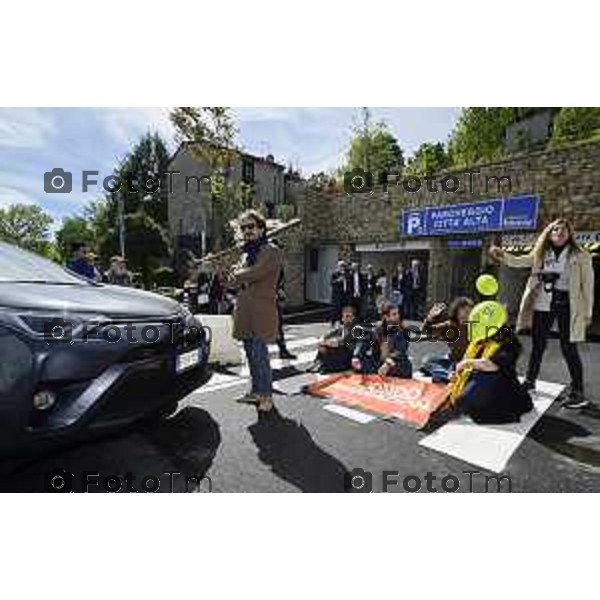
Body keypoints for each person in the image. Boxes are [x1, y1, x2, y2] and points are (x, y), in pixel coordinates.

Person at [489, 218, 595, 409]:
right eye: (555, 230)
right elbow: (520, 261)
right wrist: (502, 255)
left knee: (568, 348)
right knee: (538, 345)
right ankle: (530, 381)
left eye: (564, 230)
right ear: (549, 233)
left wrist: (587, 313)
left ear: (570, 234)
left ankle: (578, 391)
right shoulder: (541, 252)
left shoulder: (581, 255)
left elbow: (588, 286)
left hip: (567, 304)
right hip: (543, 303)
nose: (559, 233)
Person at [230, 210, 283, 412]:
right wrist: (232, 273)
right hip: (244, 310)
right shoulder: (245, 254)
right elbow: (231, 283)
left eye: (251, 226)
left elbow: (256, 273)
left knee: (260, 356)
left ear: (261, 228)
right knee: (250, 356)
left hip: (261, 311)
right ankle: (255, 391)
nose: (247, 231)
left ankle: (267, 396)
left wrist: (238, 274)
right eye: (243, 228)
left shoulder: (271, 251)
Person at [447, 325, 533, 424]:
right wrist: (456, 372)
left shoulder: (509, 341)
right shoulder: (480, 339)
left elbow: (491, 365)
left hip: (500, 384)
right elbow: (466, 359)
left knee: (464, 401)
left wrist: (465, 363)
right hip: (480, 378)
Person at [420, 297, 474, 382]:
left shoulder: (475, 326)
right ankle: (447, 375)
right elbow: (426, 331)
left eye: (470, 310)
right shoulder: (449, 325)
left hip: (468, 362)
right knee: (427, 361)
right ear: (457, 310)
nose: (467, 313)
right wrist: (430, 318)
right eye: (464, 309)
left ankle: (443, 374)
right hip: (452, 360)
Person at [352, 301, 413, 378]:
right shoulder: (376, 329)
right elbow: (364, 342)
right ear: (386, 317)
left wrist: (388, 363)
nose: (398, 316)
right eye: (394, 314)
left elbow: (400, 351)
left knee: (405, 365)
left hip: (395, 362)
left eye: (397, 314)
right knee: (362, 361)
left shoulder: (404, 331)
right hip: (378, 361)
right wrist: (356, 356)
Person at [310, 305, 360, 373]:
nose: (345, 318)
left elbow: (341, 342)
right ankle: (318, 363)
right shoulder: (344, 327)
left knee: (327, 349)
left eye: (348, 316)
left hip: (349, 354)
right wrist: (324, 338)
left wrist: (327, 343)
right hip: (343, 350)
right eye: (344, 316)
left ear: (353, 317)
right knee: (323, 347)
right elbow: (332, 333)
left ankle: (323, 365)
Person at [275, 265, 297, 360]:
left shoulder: (277, 267)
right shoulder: (271, 267)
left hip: (274, 303)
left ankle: (283, 350)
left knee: (278, 328)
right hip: (269, 303)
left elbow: (280, 284)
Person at [330, 260, 348, 326]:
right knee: (335, 309)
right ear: (338, 266)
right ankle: (333, 321)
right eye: (341, 266)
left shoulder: (346, 274)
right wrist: (338, 280)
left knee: (342, 308)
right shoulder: (335, 273)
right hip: (337, 294)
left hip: (344, 293)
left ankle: (341, 321)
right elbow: (332, 283)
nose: (342, 267)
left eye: (343, 266)